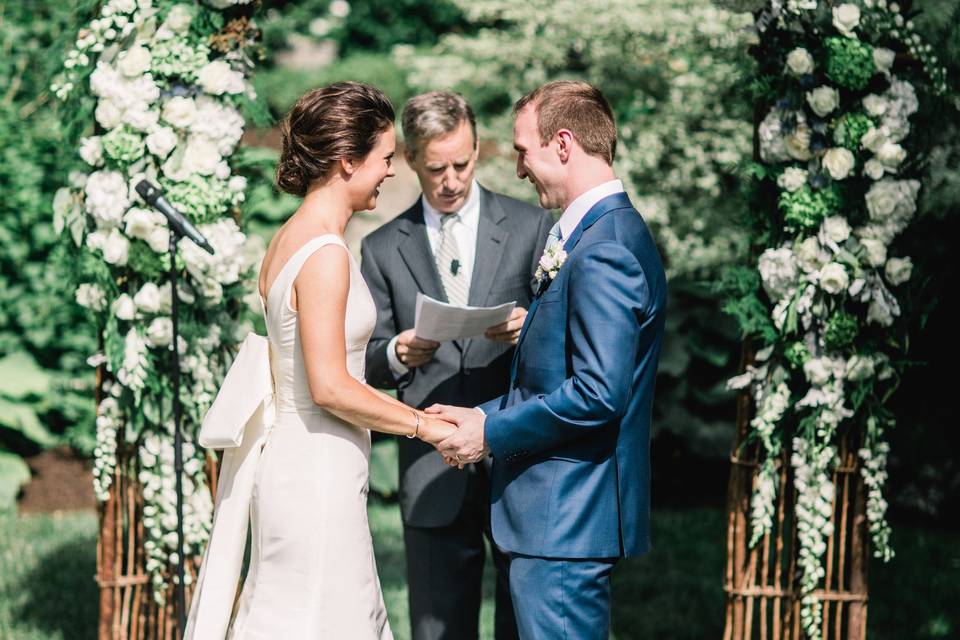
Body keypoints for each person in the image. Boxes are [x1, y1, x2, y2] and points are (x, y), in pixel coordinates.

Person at [187, 82, 457, 640]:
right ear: (346, 160)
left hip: (300, 462)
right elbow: (330, 386)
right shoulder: (327, 254)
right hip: (315, 474)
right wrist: (425, 426)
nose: (389, 172)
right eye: (384, 159)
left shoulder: (287, 240)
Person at [429, 81, 668, 639]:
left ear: (563, 144)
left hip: (565, 524)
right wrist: (476, 415)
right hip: (550, 525)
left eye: (521, 151)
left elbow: (598, 393)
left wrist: (489, 431)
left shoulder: (605, 244)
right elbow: (551, 379)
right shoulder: (592, 234)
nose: (517, 170)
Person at [360, 91, 553, 640]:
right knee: (439, 629)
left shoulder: (530, 227)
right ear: (412, 159)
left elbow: (563, 343)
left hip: (516, 460)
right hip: (431, 467)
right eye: (437, 167)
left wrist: (527, 328)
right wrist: (397, 351)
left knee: (525, 624)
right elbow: (368, 362)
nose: (451, 180)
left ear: (476, 150)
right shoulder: (380, 248)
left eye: (463, 164)